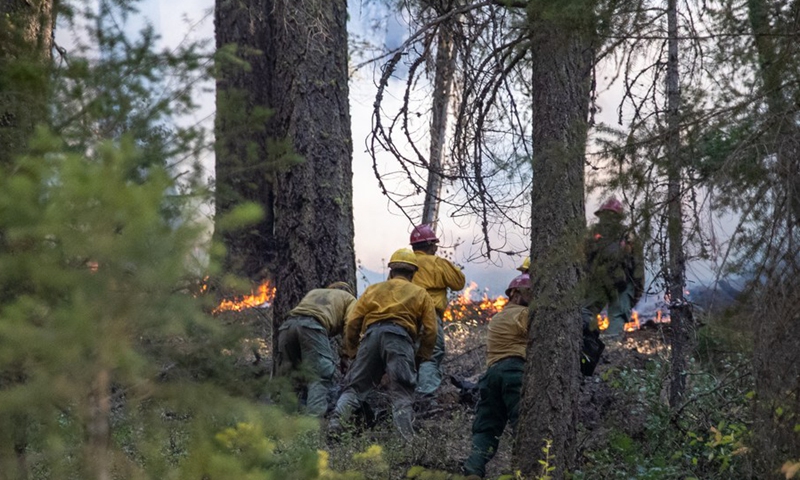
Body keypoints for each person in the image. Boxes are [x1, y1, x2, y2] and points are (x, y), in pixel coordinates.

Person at [329, 248, 437, 440]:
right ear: (413, 273)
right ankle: (407, 440)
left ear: (391, 271)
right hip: (400, 338)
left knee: (355, 387)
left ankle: (336, 425)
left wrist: (352, 350)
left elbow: (353, 322)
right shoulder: (421, 294)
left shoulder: (373, 290)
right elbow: (430, 331)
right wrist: (421, 357)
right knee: (402, 392)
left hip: (370, 337)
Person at [462, 273, 532, 479]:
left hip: (491, 374)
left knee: (487, 428)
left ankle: (474, 470)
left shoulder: (498, 316)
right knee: (525, 425)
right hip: (515, 373)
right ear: (516, 294)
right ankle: (525, 472)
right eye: (531, 293)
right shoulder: (524, 314)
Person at [276, 281, 356, 416]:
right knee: (319, 375)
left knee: (289, 376)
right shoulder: (349, 299)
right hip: (312, 327)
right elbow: (350, 326)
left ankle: (284, 422)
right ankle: (312, 426)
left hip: (287, 326)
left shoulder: (314, 292)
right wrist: (346, 354)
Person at [409, 224, 466, 396]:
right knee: (430, 355)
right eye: (435, 244)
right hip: (429, 317)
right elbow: (458, 283)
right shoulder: (438, 263)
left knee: (409, 355)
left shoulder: (404, 264)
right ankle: (425, 398)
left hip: (403, 318)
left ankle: (407, 396)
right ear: (431, 245)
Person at [583, 196, 645, 336]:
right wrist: (636, 293)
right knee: (616, 317)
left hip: (600, 283)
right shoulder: (629, 236)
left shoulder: (591, 235)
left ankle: (586, 343)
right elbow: (638, 268)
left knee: (586, 312)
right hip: (621, 284)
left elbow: (583, 263)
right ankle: (611, 347)